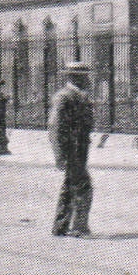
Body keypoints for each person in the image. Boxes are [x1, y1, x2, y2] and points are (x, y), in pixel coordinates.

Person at [49, 62, 96, 237]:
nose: (88, 79)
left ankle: (60, 226)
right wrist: (59, 155)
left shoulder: (79, 96)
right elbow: (55, 127)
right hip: (71, 150)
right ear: (75, 77)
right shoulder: (63, 97)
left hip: (80, 149)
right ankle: (78, 226)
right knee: (83, 186)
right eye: (84, 76)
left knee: (70, 186)